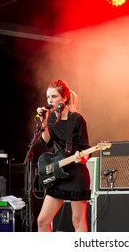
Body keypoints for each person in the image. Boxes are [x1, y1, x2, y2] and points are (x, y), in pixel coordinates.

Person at [35, 80, 91, 232]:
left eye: (53, 96)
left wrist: (82, 157)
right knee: (42, 221)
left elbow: (86, 149)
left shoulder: (77, 119)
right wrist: (44, 121)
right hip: (59, 173)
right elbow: (47, 143)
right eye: (48, 97)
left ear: (64, 98)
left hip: (76, 174)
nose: (49, 101)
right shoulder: (51, 118)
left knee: (77, 221)